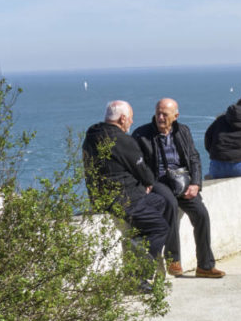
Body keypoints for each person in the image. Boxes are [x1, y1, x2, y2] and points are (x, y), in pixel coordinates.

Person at [133, 98, 225, 279]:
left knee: (201, 213)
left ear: (175, 116)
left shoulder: (183, 131)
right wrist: (145, 183)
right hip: (158, 181)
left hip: (182, 180)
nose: (160, 117)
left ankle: (205, 265)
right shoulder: (141, 134)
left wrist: (196, 183)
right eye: (158, 113)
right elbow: (136, 163)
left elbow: (194, 158)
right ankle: (173, 258)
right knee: (170, 204)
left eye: (164, 114)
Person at [82, 100, 172, 279]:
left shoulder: (91, 137)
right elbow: (143, 172)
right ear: (123, 119)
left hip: (101, 198)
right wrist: (146, 183)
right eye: (130, 118)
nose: (131, 122)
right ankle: (140, 276)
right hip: (125, 200)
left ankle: (139, 239)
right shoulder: (122, 139)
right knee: (161, 227)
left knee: (161, 201)